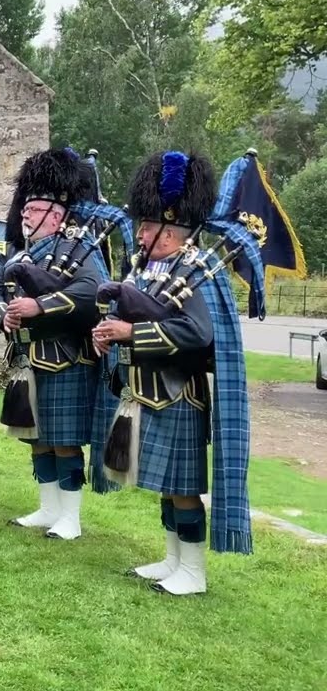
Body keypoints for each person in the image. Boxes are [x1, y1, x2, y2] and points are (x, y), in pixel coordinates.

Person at [93, 150, 256, 595]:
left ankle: (194, 571)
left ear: (171, 228)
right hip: (145, 390)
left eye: (147, 227)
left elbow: (198, 333)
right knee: (166, 486)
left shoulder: (199, 269)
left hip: (179, 393)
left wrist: (133, 331)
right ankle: (172, 559)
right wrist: (107, 335)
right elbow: (128, 316)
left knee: (184, 488)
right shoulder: (148, 269)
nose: (140, 234)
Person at [0, 149, 114, 540]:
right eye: (25, 207)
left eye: (35, 208)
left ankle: (70, 517)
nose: (26, 214)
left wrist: (39, 305)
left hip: (67, 358)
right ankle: (47, 507)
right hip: (26, 358)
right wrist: (3, 311)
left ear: (56, 215)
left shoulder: (77, 248)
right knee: (37, 438)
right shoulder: (16, 253)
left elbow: (92, 292)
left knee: (65, 441)